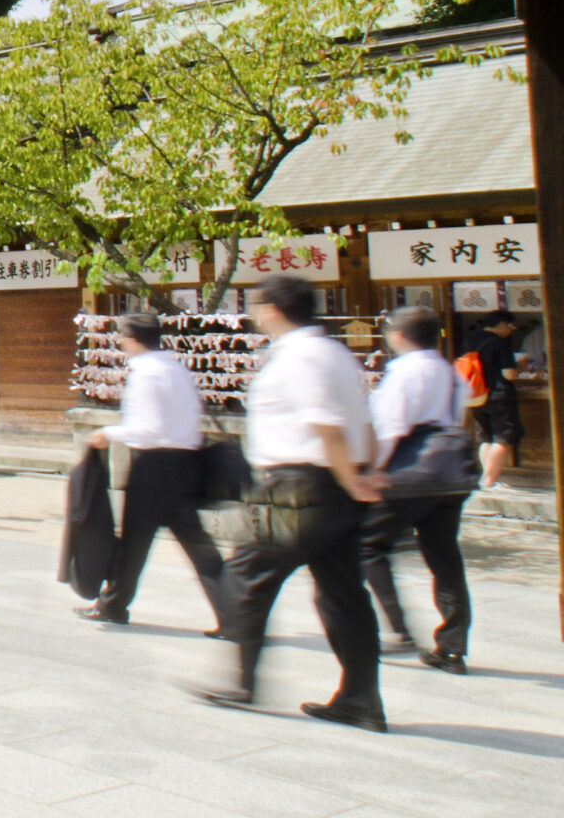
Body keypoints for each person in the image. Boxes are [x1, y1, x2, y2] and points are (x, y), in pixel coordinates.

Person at [201, 273, 385, 731]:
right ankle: (361, 698)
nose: (256, 314)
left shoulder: (299, 356)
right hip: (334, 486)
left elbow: (326, 424)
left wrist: (350, 475)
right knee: (343, 595)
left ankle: (241, 682)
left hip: (295, 485)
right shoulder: (335, 353)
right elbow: (362, 423)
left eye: (259, 305)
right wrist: (366, 472)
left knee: (244, 575)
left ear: (275, 309)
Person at [79, 311, 222, 627]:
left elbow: (146, 429)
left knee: (134, 542)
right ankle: (236, 614)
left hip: (153, 465)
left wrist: (108, 434)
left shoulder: (145, 374)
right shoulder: (177, 370)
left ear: (131, 339)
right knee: (199, 545)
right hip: (185, 463)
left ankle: (113, 605)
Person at [360, 306, 471, 674]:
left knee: (368, 545)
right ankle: (452, 646)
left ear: (399, 335)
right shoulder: (450, 372)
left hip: (412, 470)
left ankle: (399, 629)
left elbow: (392, 426)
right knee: (444, 555)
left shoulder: (405, 372)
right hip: (450, 472)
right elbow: (458, 415)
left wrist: (374, 471)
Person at [465, 309, 523, 488]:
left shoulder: (469, 341)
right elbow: (509, 374)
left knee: (485, 437)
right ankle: (488, 480)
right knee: (502, 438)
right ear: (502, 324)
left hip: (475, 396)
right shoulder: (500, 343)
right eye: (511, 326)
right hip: (498, 396)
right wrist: (519, 365)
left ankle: (487, 477)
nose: (512, 330)